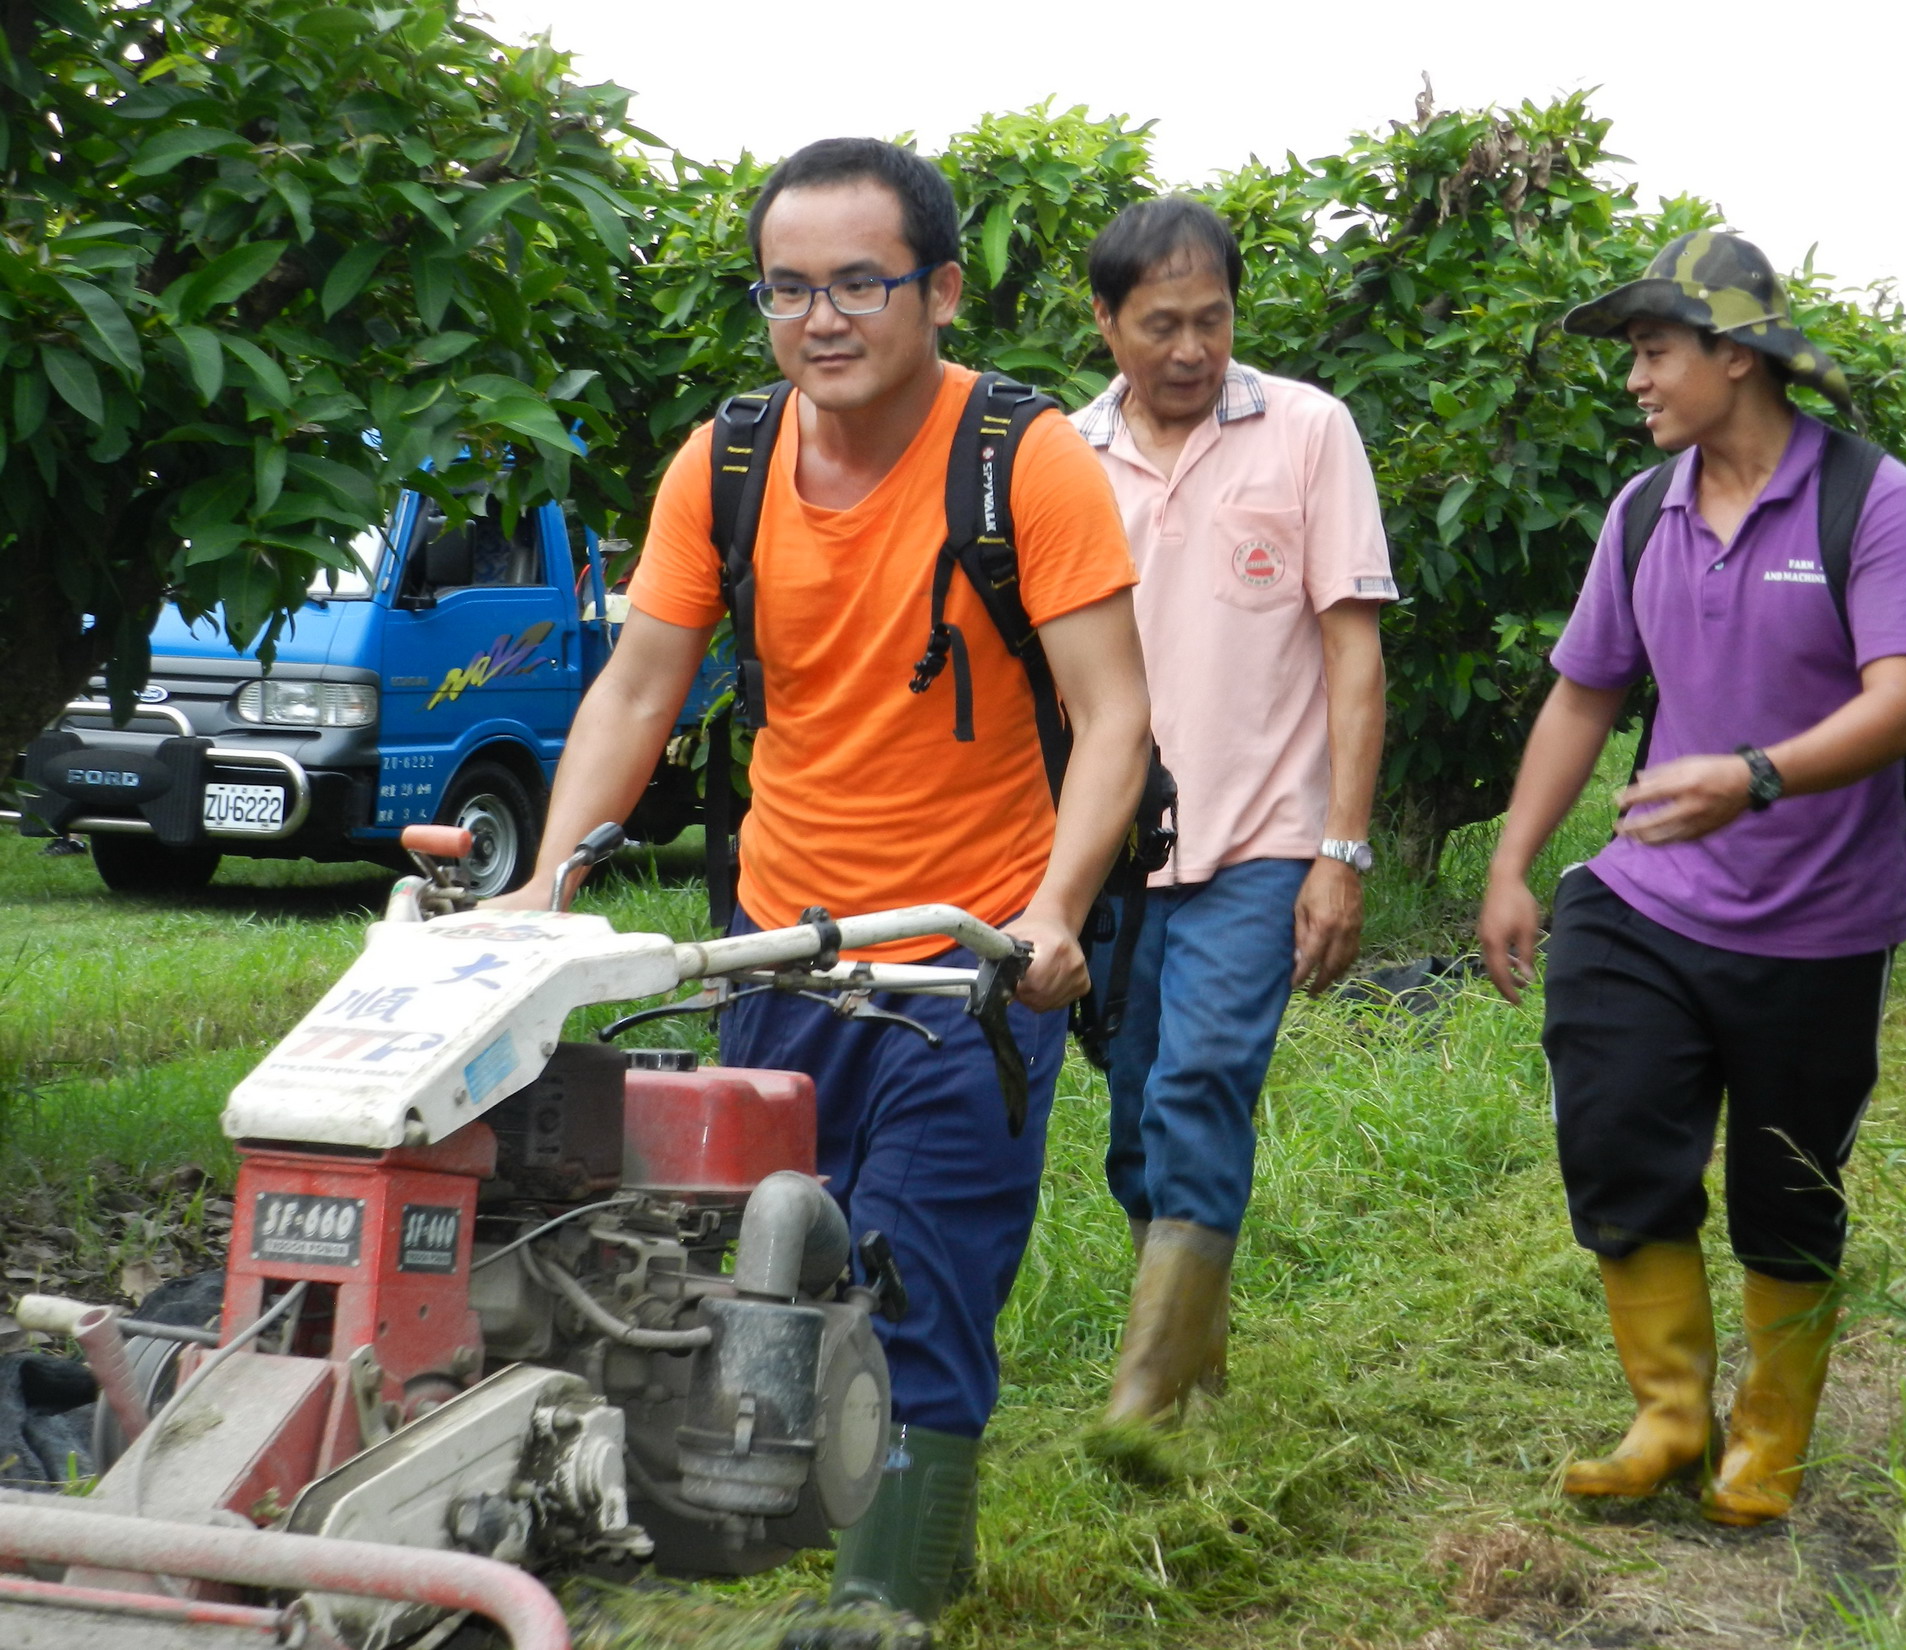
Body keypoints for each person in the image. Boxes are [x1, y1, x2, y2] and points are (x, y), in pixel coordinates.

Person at [494, 138, 1152, 1622]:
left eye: (862, 281)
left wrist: (1051, 911)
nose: (824, 318)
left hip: (963, 954)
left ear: (941, 289)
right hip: (778, 943)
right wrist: (549, 879)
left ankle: (884, 1606)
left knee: (922, 1267)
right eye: (789, 288)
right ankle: (897, 1525)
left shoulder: (1022, 459)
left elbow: (1114, 713)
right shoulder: (724, 461)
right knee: (788, 1252)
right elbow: (636, 686)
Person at [1474, 231, 1906, 1527]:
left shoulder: (1876, 503)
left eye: (1653, 352)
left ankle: (1772, 1433)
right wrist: (1515, 860)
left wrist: (1754, 774)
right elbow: (1586, 691)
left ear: (1734, 355)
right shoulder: (1644, 513)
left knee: (1786, 1185)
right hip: (1653, 896)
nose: (1635, 379)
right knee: (1615, 1120)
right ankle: (1670, 1414)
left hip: (1820, 921)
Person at [1068, 198, 1395, 1448]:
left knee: (1201, 1081)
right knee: (1135, 1113)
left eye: (1212, 319)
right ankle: (1193, 1353)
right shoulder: (1064, 458)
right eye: (1161, 325)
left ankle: (1139, 1399)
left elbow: (1351, 657)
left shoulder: (1310, 431)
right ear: (1107, 323)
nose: (1192, 349)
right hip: (1111, 849)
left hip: (1262, 836)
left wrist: (1341, 851)